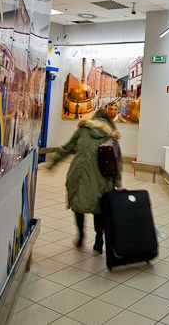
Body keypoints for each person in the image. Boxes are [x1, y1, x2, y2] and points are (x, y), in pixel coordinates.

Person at [44, 108, 122, 252]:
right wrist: (118, 183)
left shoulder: (83, 129)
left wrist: (53, 162)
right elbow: (117, 161)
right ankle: (99, 240)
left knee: (78, 206)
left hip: (78, 174)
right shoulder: (111, 135)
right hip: (102, 178)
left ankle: (80, 235)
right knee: (99, 210)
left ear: (94, 118)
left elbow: (67, 148)